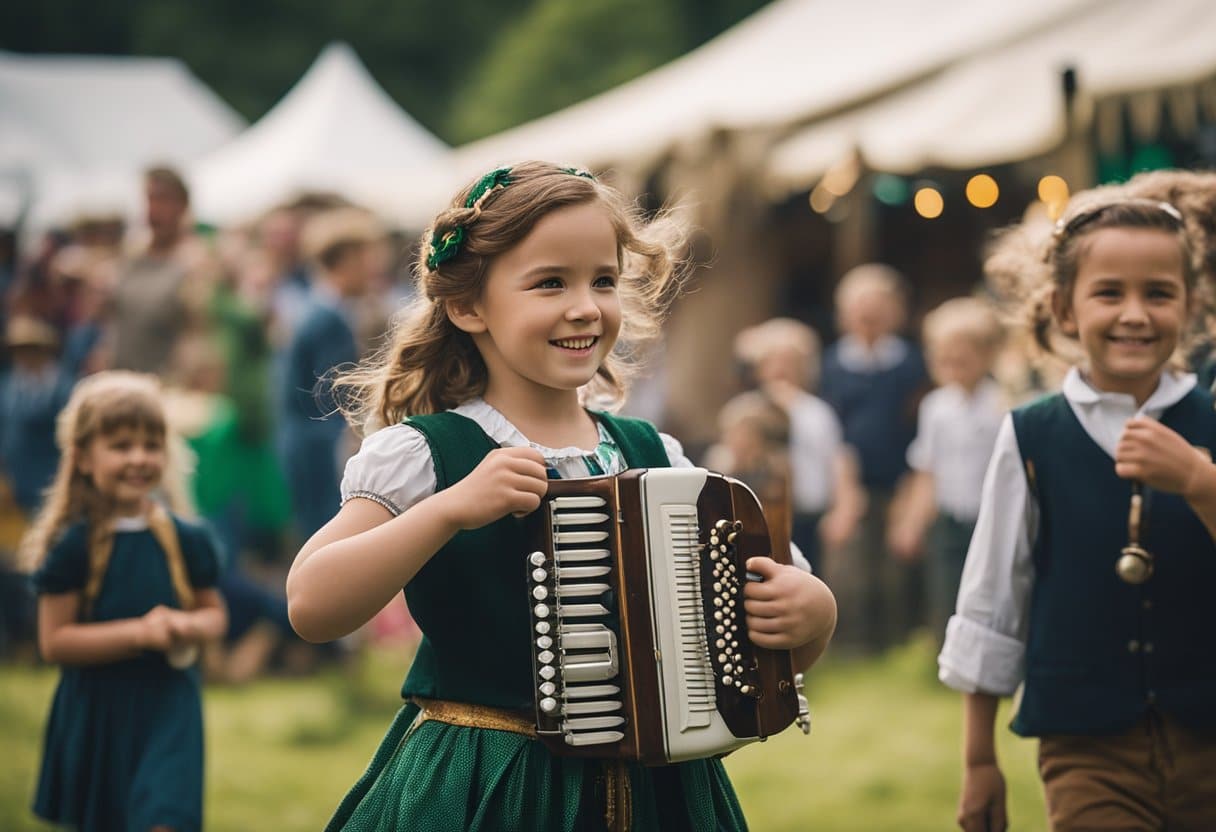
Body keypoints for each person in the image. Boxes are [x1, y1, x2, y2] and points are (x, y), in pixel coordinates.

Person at [286, 162, 837, 831]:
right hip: (489, 784)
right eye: (550, 282)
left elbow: (756, 649)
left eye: (602, 280)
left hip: (665, 796)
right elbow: (311, 605)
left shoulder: (653, 454)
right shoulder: (425, 455)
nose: (585, 305)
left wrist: (810, 615)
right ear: (468, 307)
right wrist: (449, 509)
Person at [939, 197, 1216, 832]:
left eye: (1160, 294)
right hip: (1089, 753)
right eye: (1109, 293)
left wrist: (1199, 480)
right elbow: (992, 603)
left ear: (1191, 306)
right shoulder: (1032, 435)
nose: (1135, 315)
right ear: (1065, 308)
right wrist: (979, 761)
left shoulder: (1211, 422)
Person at [22, 371, 227, 832]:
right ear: (82, 458)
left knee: (164, 817)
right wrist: (140, 633)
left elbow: (215, 615)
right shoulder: (71, 545)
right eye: (120, 446)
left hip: (169, 707)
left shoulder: (186, 538)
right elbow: (55, 642)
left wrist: (185, 626)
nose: (139, 458)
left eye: (151, 445)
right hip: (99, 712)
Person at [819, 263, 929, 653]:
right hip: (848, 477)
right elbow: (831, 426)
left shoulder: (911, 362)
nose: (868, 315)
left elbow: (915, 421)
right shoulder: (833, 364)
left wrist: (911, 484)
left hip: (900, 474)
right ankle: (853, 642)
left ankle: (897, 637)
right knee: (851, 563)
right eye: (859, 306)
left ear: (896, 311)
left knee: (895, 562)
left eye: (879, 306)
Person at [887, 296, 1006, 647]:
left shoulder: (1002, 404)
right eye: (943, 355)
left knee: (988, 590)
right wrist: (911, 521)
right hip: (948, 515)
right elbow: (927, 469)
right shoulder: (936, 407)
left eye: (962, 355)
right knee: (946, 587)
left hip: (990, 517)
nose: (952, 363)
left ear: (986, 355)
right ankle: (949, 654)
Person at [277, 207, 387, 542]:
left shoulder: (314, 310)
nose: (374, 270)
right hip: (319, 446)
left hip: (303, 441)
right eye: (367, 259)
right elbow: (334, 395)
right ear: (346, 260)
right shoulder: (329, 320)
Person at [733, 317, 865, 574]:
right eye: (773, 361)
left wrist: (844, 508)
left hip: (808, 515)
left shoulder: (817, 412)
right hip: (759, 515)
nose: (782, 370)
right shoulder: (746, 409)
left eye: (791, 362)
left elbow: (837, 460)